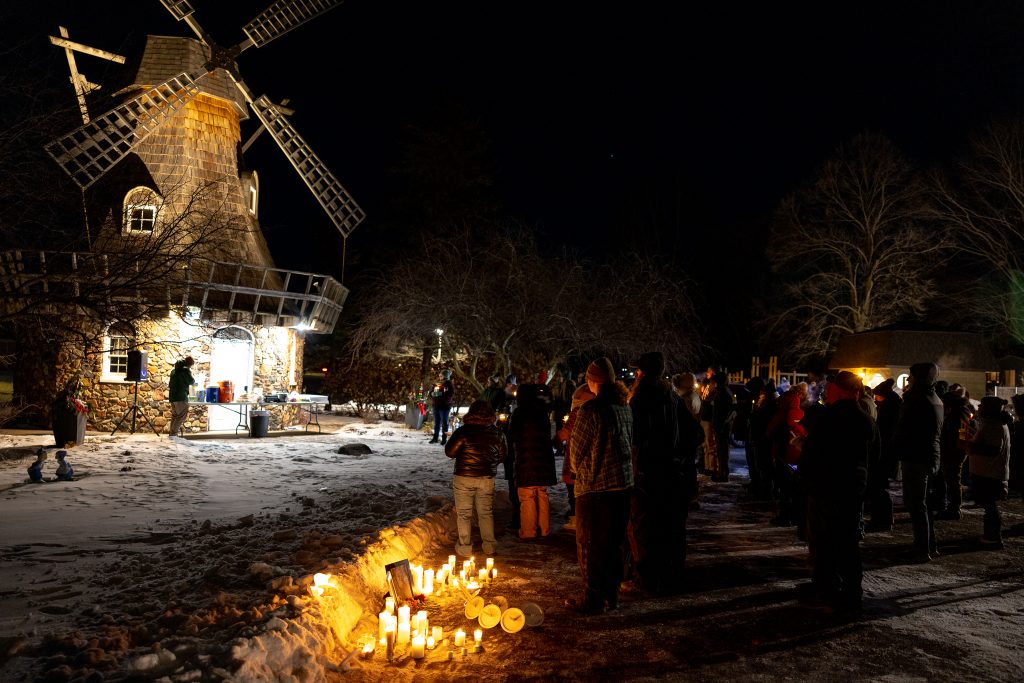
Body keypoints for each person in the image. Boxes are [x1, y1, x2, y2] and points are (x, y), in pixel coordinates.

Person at [801, 371, 877, 613]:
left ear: (838, 390)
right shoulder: (866, 420)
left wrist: (805, 477)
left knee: (824, 542)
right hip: (853, 488)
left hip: (827, 487)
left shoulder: (829, 418)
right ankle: (852, 591)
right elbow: (876, 457)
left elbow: (813, 453)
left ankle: (827, 589)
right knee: (847, 541)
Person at [566, 357, 634, 615]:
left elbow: (576, 456)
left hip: (595, 489)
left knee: (591, 545)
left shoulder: (590, 410)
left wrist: (579, 470)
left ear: (593, 381)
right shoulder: (624, 408)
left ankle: (593, 598)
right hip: (623, 486)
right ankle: (612, 594)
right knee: (615, 544)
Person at [628, 351, 686, 596]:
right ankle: (667, 576)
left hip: (648, 469)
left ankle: (647, 580)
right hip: (669, 468)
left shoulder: (642, 398)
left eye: (638, 371)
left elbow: (637, 435)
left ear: (643, 373)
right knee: (665, 525)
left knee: (644, 526)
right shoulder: (671, 396)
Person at [894, 362, 944, 562]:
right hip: (929, 454)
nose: (909, 380)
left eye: (911, 376)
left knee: (916, 503)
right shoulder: (934, 398)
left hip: (917, 456)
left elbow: (906, 429)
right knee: (923, 503)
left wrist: (896, 448)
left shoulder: (916, 399)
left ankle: (922, 548)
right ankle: (929, 544)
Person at [444, 400, 508, 556]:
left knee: (464, 514)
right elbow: (502, 456)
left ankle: (465, 547)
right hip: (486, 478)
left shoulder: (463, 432)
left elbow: (450, 452)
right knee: (485, 513)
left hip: (463, 477)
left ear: (471, 413)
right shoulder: (497, 433)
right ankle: (489, 546)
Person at [508, 384, 557, 539]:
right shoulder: (542, 412)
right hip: (544, 462)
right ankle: (544, 529)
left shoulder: (519, 413)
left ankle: (529, 531)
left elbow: (512, 435)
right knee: (541, 494)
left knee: (527, 496)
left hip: (526, 461)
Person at [968, 396, 1012, 548]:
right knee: (989, 506)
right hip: (989, 471)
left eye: (981, 406)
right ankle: (991, 535)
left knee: (990, 506)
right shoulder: (993, 424)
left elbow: (992, 449)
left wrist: (971, 446)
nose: (978, 408)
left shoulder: (993, 425)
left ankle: (993, 537)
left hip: (989, 473)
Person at [768, 382, 808, 528]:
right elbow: (798, 428)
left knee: (784, 485)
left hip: (780, 449)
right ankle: (791, 516)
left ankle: (785, 515)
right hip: (791, 451)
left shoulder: (782, 406)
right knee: (791, 486)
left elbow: (772, 429)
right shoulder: (796, 409)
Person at [557, 383, 596, 532]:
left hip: (574, 458)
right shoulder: (597, 411)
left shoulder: (578, 412)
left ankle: (575, 518)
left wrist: (557, 438)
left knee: (573, 491)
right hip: (589, 459)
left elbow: (565, 433)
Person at [933, 385, 975, 520]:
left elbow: (960, 434)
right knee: (952, 479)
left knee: (953, 480)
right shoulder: (959, 411)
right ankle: (953, 506)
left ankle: (954, 508)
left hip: (954, 451)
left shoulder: (958, 413)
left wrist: (957, 449)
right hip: (953, 450)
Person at [865, 378, 902, 532]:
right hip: (887, 452)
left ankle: (882, 519)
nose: (876, 399)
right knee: (880, 487)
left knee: (879, 487)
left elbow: (885, 433)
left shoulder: (890, 409)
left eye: (878, 396)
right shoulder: (892, 406)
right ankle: (883, 518)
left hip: (885, 453)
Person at [168, 356, 195, 436]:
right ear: (189, 364)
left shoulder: (173, 371)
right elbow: (192, 381)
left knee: (175, 416)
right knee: (181, 416)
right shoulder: (185, 370)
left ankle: (172, 435)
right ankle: (173, 434)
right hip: (181, 397)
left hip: (172, 397)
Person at [429, 369, 456, 444]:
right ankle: (435, 437)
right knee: (437, 422)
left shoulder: (449, 384)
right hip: (436, 405)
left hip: (445, 406)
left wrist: (442, 394)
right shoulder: (436, 383)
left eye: (442, 375)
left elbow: (451, 393)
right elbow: (431, 392)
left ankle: (444, 438)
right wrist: (433, 394)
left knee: (444, 422)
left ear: (445, 376)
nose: (440, 376)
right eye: (440, 375)